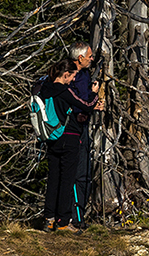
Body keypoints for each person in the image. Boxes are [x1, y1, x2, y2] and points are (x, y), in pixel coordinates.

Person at [41, 57, 104, 232]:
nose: (74, 79)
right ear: (65, 75)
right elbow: (86, 105)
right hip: (68, 137)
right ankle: (63, 221)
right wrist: (93, 93)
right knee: (67, 179)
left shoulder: (45, 87)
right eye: (72, 75)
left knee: (53, 178)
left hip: (51, 137)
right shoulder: (64, 90)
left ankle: (48, 219)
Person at [66, 43, 101, 229]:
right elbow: (74, 100)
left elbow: (85, 100)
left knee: (85, 174)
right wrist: (92, 100)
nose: (91, 59)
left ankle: (78, 216)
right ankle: (73, 217)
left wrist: (93, 103)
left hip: (82, 126)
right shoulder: (68, 74)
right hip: (72, 128)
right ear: (80, 58)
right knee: (77, 173)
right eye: (89, 56)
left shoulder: (85, 74)